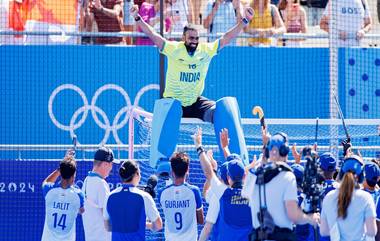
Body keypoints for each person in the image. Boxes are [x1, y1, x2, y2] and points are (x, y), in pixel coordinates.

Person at [130, 4, 253, 122]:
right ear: (184, 38)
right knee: (169, 120)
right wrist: (137, 18)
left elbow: (227, 38)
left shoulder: (205, 50)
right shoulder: (173, 49)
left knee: (221, 113)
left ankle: (226, 143)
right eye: (191, 38)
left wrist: (245, 20)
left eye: (196, 38)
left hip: (195, 103)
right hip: (173, 103)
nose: (194, 41)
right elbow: (152, 34)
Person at [241, 132, 320, 241]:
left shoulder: (254, 177)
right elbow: (293, 215)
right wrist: (310, 218)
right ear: (285, 151)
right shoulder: (287, 177)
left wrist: (264, 155)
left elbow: (244, 193)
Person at [194, 128, 253, 241]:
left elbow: (209, 173)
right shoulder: (253, 193)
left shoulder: (223, 194)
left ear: (228, 178)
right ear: (245, 175)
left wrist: (199, 147)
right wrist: (225, 148)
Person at [320, 155, 377, 240]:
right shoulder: (366, 197)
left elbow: (324, 231)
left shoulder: (329, 197)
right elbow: (372, 231)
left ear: (341, 174)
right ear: (361, 176)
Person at [103, 160, 162, 240]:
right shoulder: (144, 197)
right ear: (136, 174)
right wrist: (147, 225)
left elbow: (107, 227)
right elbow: (158, 226)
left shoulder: (110, 196)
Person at [158, 152, 204, 241]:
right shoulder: (194, 191)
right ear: (187, 170)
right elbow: (201, 221)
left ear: (171, 171)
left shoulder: (162, 192)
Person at [41, 152, 85, 241]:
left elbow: (45, 182)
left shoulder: (48, 191)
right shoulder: (78, 195)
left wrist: (60, 168)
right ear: (73, 177)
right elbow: (81, 210)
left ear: (60, 173)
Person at [82, 146, 119, 241]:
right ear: (105, 164)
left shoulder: (86, 180)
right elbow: (108, 216)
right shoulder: (101, 184)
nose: (111, 168)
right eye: (111, 164)